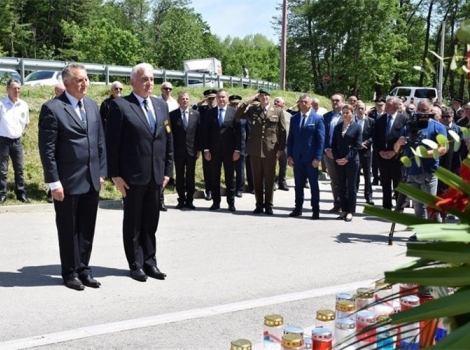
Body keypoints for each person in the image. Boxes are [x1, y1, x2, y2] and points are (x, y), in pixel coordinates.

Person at [38, 63, 107, 290]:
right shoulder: (53, 108)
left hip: (91, 179)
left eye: (86, 79)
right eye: (79, 80)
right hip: (66, 182)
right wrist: (54, 182)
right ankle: (70, 272)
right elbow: (47, 150)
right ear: (67, 83)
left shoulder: (92, 105)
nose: (84, 83)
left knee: (87, 228)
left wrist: (101, 172)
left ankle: (84, 268)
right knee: (68, 229)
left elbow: (99, 142)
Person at [106, 63, 174, 282]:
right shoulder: (121, 106)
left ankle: (150, 261)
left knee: (151, 222)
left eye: (152, 79)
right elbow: (112, 144)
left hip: (156, 176)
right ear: (132, 82)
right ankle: (135, 264)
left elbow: (168, 140)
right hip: (132, 177)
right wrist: (114, 174)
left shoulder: (161, 106)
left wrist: (167, 171)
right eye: (145, 79)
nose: (149, 83)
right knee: (133, 222)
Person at [235, 88, 286, 215]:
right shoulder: (253, 110)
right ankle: (259, 204)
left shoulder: (278, 111)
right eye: (262, 96)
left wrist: (280, 149)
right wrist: (249, 101)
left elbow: (283, 131)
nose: (264, 98)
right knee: (257, 178)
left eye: (266, 96)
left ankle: (268, 205)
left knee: (269, 179)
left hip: (270, 149)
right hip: (255, 150)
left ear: (270, 97)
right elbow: (238, 114)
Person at [394, 99, 447, 220]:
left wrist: (423, 154)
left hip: (429, 172)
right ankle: (420, 231)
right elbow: (397, 150)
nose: (421, 113)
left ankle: (435, 234)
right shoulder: (409, 126)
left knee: (431, 205)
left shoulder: (438, 127)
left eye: (425, 110)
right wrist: (398, 143)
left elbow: (443, 149)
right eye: (419, 110)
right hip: (411, 172)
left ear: (431, 111)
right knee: (418, 205)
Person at [287, 93, 325, 219]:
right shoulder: (295, 118)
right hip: (297, 158)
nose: (303, 104)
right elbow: (291, 139)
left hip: (311, 159)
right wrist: (290, 156)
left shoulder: (317, 119)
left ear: (311, 104)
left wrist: (318, 158)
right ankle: (298, 208)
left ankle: (315, 209)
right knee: (298, 185)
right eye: (301, 102)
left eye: (305, 102)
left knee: (313, 185)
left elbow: (321, 140)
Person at [203, 89, 241, 212]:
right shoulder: (210, 113)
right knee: (215, 177)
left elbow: (239, 133)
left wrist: (237, 150)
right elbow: (206, 132)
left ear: (227, 98)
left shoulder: (234, 112)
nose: (221, 99)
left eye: (223, 97)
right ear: (216, 99)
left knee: (230, 178)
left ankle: (231, 203)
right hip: (214, 151)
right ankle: (216, 202)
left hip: (229, 151)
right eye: (219, 97)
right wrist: (206, 149)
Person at [373, 97, 408, 210]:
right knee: (385, 182)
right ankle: (386, 206)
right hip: (383, 157)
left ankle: (399, 208)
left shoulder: (404, 119)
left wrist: (394, 151)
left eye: (388, 105)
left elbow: (406, 139)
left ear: (396, 107)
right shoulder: (380, 119)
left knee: (398, 183)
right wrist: (380, 151)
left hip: (397, 157)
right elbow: (375, 137)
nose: (385, 106)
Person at [0, 79, 30, 204]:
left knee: (19, 168)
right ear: (7, 89)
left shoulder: (23, 105)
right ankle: (2, 193)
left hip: (17, 141)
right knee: (2, 169)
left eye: (18, 88)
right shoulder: (1, 104)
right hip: (3, 140)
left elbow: (26, 123)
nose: (16, 90)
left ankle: (21, 193)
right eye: (14, 88)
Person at [170, 92, 200, 209]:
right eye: (182, 99)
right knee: (180, 176)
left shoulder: (196, 114)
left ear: (189, 100)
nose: (185, 101)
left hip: (192, 151)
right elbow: (170, 133)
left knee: (190, 177)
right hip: (178, 152)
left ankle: (190, 200)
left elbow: (198, 133)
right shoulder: (172, 115)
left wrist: (199, 149)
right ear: (178, 100)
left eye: (187, 99)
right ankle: (181, 199)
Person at [331, 104, 362, 222]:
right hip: (339, 160)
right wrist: (337, 158)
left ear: (352, 114)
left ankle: (350, 211)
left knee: (351, 187)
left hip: (352, 161)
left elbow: (357, 146)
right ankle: (343, 210)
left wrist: (347, 159)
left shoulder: (357, 127)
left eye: (347, 113)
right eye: (343, 113)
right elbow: (333, 144)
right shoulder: (338, 127)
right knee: (341, 186)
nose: (345, 115)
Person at [157, 81, 179, 211]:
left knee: (166, 168)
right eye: (166, 88)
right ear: (161, 89)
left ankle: (160, 200)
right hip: (160, 135)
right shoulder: (156, 101)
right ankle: (160, 199)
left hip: (170, 134)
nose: (168, 91)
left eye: (170, 89)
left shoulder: (174, 103)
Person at [194, 89, 218, 200]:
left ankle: (215, 190)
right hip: (206, 144)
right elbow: (193, 109)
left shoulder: (220, 109)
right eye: (209, 98)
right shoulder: (202, 109)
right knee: (207, 169)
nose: (211, 100)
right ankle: (209, 191)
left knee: (216, 169)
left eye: (213, 98)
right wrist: (202, 101)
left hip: (218, 144)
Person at [322, 93, 344, 212]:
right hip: (328, 153)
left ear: (343, 101)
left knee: (343, 179)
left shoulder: (347, 116)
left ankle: (345, 204)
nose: (335, 102)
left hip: (342, 154)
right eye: (333, 100)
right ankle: (337, 203)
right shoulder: (326, 117)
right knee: (334, 179)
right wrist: (326, 149)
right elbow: (322, 135)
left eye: (337, 100)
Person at [45, 83, 66, 203]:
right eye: (60, 91)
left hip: (64, 147)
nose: (62, 94)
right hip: (54, 146)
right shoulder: (50, 107)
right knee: (53, 169)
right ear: (56, 92)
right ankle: (51, 192)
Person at [229, 94, 250, 197]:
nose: (235, 106)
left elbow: (249, 133)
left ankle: (239, 189)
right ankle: (231, 188)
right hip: (229, 146)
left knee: (240, 169)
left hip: (241, 145)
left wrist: (247, 147)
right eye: (233, 104)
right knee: (229, 169)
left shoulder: (244, 116)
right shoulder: (227, 115)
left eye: (237, 104)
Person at [355, 100, 375, 205]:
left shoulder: (371, 121)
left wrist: (366, 143)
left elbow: (374, 136)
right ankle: (353, 195)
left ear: (365, 109)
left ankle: (368, 196)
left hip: (367, 151)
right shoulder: (352, 121)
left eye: (362, 108)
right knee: (355, 175)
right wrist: (357, 144)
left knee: (367, 175)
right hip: (355, 152)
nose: (360, 110)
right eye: (358, 108)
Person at [273, 96, 291, 191]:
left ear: (283, 105)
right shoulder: (270, 114)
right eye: (275, 102)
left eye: (279, 102)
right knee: (272, 164)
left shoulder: (288, 115)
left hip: (285, 144)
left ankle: (282, 181)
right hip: (273, 144)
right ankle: (273, 182)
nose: (276, 103)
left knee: (283, 165)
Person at [369, 97, 386, 186]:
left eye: (381, 105)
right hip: (373, 139)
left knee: (383, 161)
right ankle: (375, 178)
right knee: (374, 161)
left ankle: (383, 178)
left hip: (383, 140)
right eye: (378, 105)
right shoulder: (371, 114)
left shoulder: (387, 115)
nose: (380, 107)